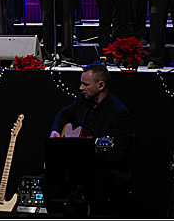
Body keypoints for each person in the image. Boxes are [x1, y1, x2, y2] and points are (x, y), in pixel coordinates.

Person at [49, 63, 133, 216]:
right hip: (83, 168)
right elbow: (64, 114)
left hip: (106, 173)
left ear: (101, 85)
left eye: (85, 84)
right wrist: (55, 131)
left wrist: (92, 151)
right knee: (48, 177)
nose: (81, 88)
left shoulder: (119, 113)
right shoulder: (83, 100)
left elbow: (119, 153)